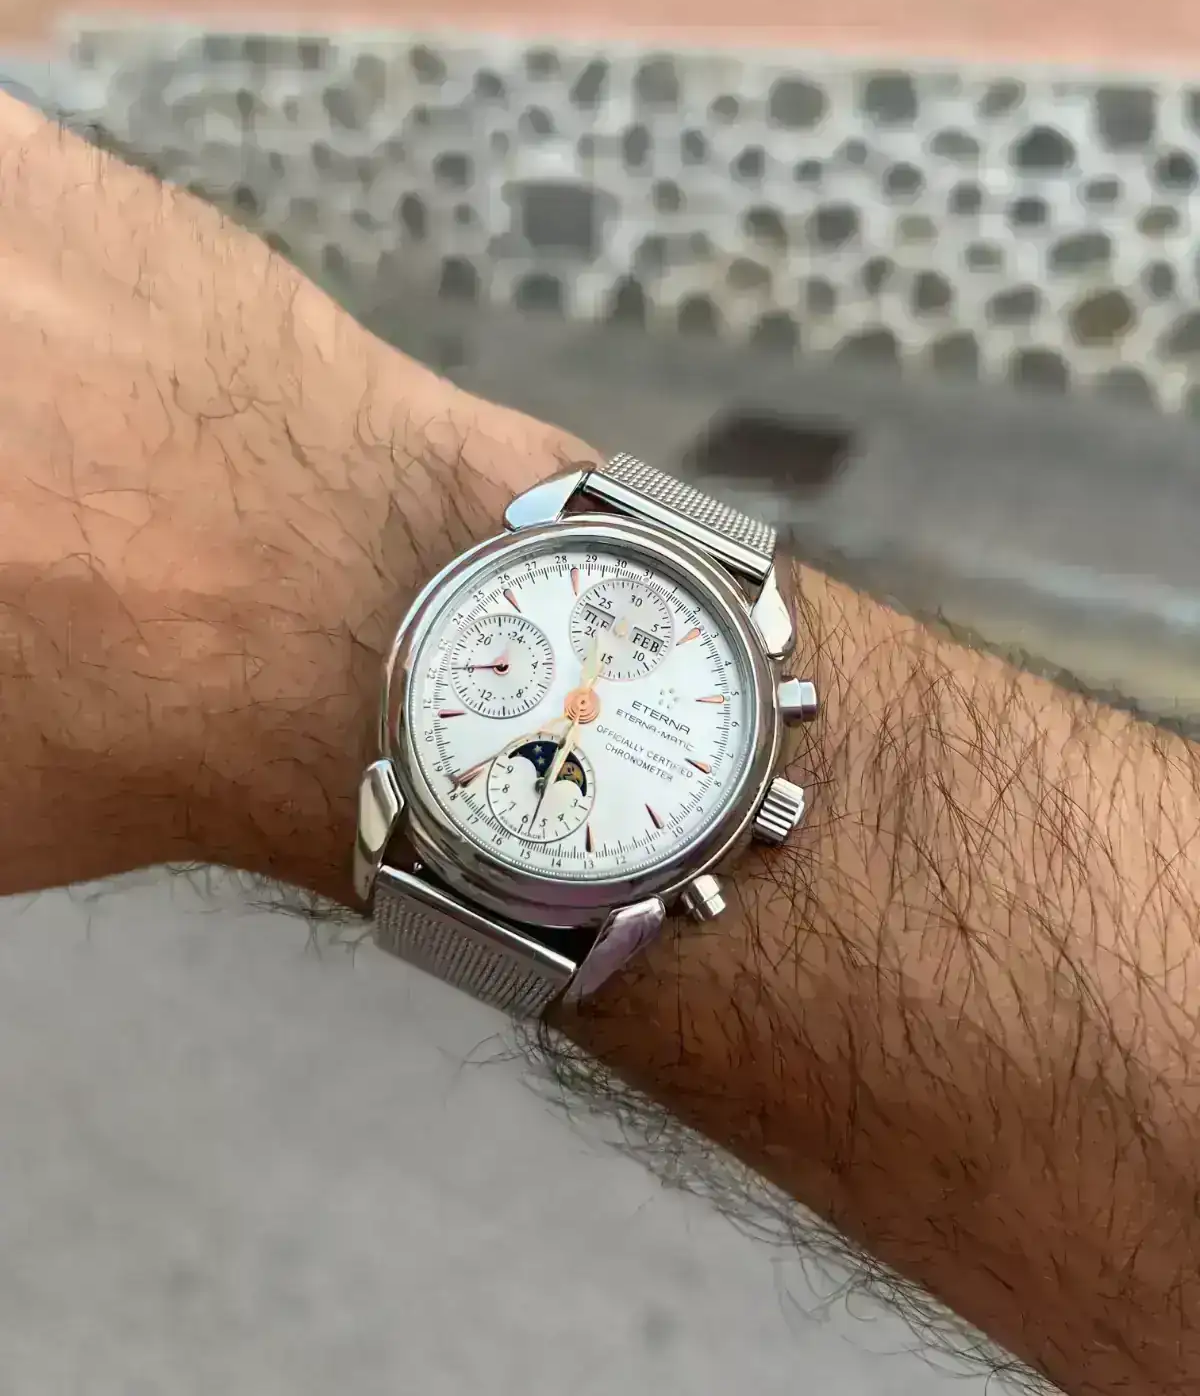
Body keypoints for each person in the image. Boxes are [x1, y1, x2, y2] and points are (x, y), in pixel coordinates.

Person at [1, 90, 1195, 1396]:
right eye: (570, 689)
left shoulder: (696, 830)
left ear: (763, 796)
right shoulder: (560, 622)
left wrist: (317, 557)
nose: (576, 708)